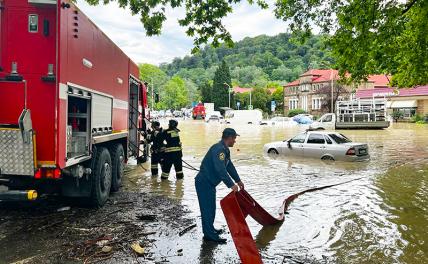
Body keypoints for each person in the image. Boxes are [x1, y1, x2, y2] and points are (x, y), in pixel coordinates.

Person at [195, 128, 244, 244]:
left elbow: (229, 166)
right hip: (204, 183)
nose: (235, 141)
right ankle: (209, 235)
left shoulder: (225, 149)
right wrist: (231, 185)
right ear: (230, 138)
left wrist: (238, 180)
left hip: (209, 184)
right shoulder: (218, 149)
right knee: (207, 209)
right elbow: (220, 169)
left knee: (211, 208)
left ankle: (210, 230)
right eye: (234, 139)